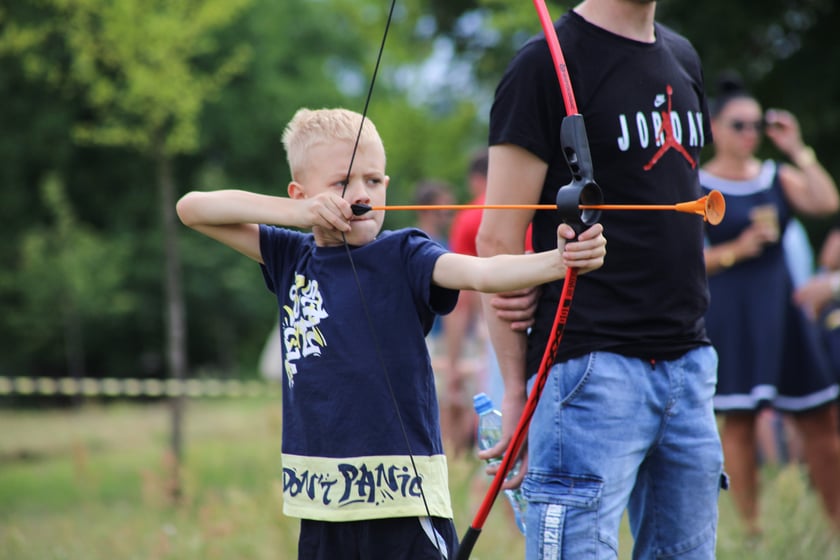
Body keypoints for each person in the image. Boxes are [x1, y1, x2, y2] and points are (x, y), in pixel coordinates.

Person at [175, 107, 606, 560]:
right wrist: (298, 213)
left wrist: (558, 262)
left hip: (403, 501)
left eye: (374, 180)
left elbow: (482, 271)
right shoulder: (289, 256)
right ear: (301, 193)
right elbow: (192, 209)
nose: (362, 195)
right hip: (323, 506)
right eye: (341, 183)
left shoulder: (406, 253)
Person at [476, 1, 725, 558]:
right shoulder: (544, 63)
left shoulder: (682, 56)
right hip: (589, 370)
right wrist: (516, 390)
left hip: (688, 363)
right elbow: (496, 241)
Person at [700, 75, 840, 535]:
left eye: (757, 125)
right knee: (738, 423)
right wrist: (736, 249)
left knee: (819, 418)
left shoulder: (773, 176)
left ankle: (835, 525)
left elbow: (826, 201)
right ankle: (751, 533)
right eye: (739, 124)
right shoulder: (698, 184)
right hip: (730, 313)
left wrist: (797, 149)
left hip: (780, 311)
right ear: (716, 127)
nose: (749, 134)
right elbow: (681, 260)